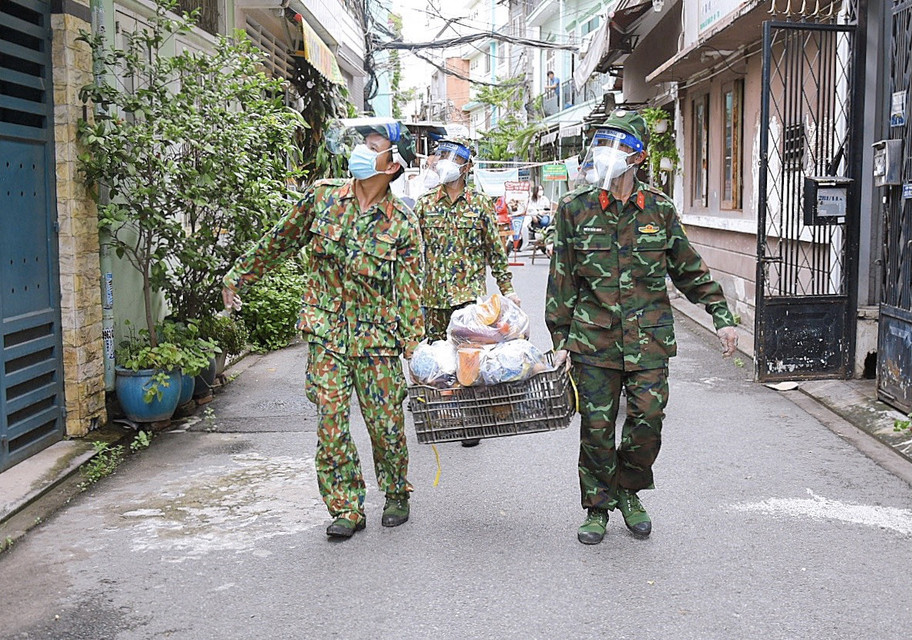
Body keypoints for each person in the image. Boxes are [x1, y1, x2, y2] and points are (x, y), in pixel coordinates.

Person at [222, 118, 423, 539]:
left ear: (392, 165)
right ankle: (347, 506)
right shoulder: (323, 198)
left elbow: (408, 286)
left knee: (385, 425)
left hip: (378, 337)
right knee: (330, 422)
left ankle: (396, 490)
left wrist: (413, 342)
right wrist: (238, 277)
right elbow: (279, 240)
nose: (363, 151)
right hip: (327, 331)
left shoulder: (402, 221)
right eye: (363, 143)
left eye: (375, 145)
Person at [545, 109, 738, 546]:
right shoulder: (574, 210)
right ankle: (597, 506)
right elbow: (563, 279)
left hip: (649, 339)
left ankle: (629, 491)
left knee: (647, 421)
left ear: (638, 157)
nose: (607, 154)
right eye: (603, 143)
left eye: (618, 145)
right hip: (593, 339)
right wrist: (560, 339)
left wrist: (721, 316)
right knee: (596, 427)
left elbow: (689, 270)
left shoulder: (659, 210)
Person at [412, 136, 520, 447]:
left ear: (467, 167)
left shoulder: (480, 206)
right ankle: (437, 411)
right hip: (432, 297)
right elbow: (409, 251)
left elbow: (495, 253)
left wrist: (508, 289)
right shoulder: (424, 205)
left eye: (453, 158)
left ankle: (470, 420)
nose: (444, 162)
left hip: (469, 300)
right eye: (441, 155)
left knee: (468, 360)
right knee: (434, 358)